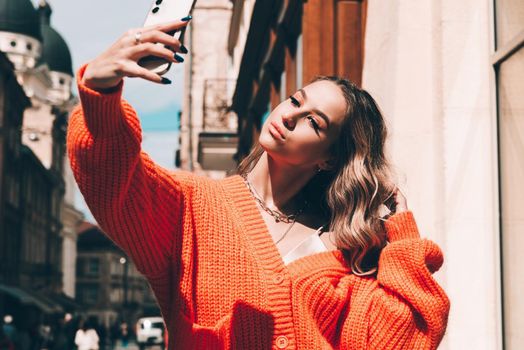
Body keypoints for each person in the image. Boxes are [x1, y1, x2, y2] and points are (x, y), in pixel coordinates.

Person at [67, 17, 450, 349]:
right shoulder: (194, 206)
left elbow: (404, 337)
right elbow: (113, 179)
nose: (289, 116)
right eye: (295, 101)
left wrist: (400, 233)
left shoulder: (344, 248)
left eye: (314, 122)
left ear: (330, 158)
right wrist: (101, 94)